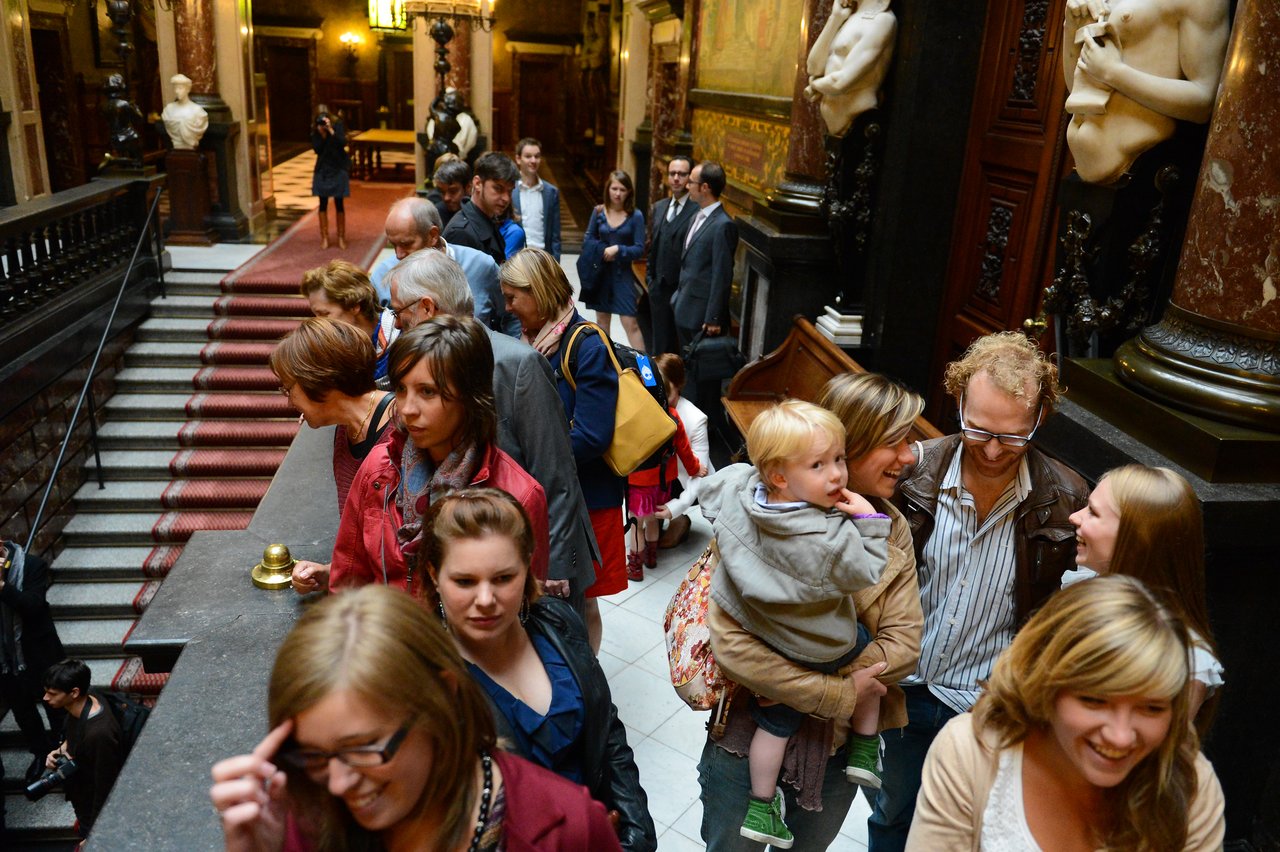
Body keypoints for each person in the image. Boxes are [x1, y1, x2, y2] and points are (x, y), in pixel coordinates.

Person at [870, 331, 1088, 851]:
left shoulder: (1067, 498)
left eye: (1013, 437)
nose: (994, 450)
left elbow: (1060, 616)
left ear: (1038, 420)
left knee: (966, 832)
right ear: (960, 400)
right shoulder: (911, 471)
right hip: (907, 685)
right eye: (979, 429)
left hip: (987, 703)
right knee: (892, 813)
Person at [209, 585, 623, 852]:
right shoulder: (303, 822)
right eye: (313, 755)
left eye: (364, 748)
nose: (337, 783)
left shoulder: (569, 828)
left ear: (443, 697)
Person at [908, 575, 1226, 850]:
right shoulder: (971, 753)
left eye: (1152, 708)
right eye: (1094, 701)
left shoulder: (1190, 783)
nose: (1120, 735)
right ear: (1046, 688)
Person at [699, 400, 894, 847]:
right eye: (820, 464)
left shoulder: (743, 495)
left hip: (764, 637)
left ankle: (762, 805)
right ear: (780, 476)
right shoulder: (826, 538)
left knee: (776, 722)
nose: (837, 475)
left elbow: (714, 487)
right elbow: (864, 570)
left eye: (840, 459)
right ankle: (865, 744)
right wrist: (868, 521)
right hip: (819, 650)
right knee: (860, 648)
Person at [420, 489, 657, 851]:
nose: (486, 600)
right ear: (434, 575)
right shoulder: (428, 686)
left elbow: (606, 729)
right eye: (465, 581)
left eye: (503, 578)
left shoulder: (556, 623)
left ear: (528, 567)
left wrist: (635, 835)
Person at [388, 249, 598, 609]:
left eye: (398, 312)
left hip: (523, 557)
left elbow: (556, 472)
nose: (394, 323)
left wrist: (555, 566)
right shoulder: (414, 369)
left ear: (426, 308)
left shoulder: (516, 365)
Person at [328, 316, 550, 592]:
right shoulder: (378, 470)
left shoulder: (519, 496)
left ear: (470, 397)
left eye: (427, 392)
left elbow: (522, 603)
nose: (407, 408)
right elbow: (347, 581)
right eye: (401, 389)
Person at [499, 248, 624, 652]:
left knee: (584, 598)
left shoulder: (586, 345)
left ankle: (587, 681)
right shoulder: (533, 339)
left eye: (513, 297)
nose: (508, 307)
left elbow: (592, 434)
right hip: (552, 490)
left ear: (538, 292)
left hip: (588, 496)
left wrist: (536, 455)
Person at [1066, 464, 1223, 724]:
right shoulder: (1083, 587)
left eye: (1093, 512)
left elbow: (1154, 757)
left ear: (1137, 539)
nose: (1075, 516)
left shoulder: (1182, 663)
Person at [268, 319, 397, 595]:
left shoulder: (402, 429)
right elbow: (367, 546)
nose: (289, 401)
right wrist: (331, 572)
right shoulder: (345, 429)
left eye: (288, 389)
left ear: (318, 380)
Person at [1062, 0, 1230, 184]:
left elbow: (1204, 102)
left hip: (1146, 172)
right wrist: (1070, 26)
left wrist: (1114, 73)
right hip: (1084, 175)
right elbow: (1076, 91)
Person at [372, 196, 518, 336]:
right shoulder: (382, 276)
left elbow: (513, 314)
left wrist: (510, 355)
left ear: (433, 235)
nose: (398, 254)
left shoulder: (480, 265)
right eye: (393, 245)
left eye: (406, 244)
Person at [1, 538, 65, 784]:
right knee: (22, 709)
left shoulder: (32, 565)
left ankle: (63, 749)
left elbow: (34, 605)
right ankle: (40, 751)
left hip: (39, 651)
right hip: (6, 657)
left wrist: (3, 587)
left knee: (54, 704)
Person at [624, 385, 704, 579]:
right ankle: (651, 557)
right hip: (663, 482)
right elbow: (684, 450)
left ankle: (635, 567)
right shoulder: (673, 416)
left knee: (636, 525)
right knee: (653, 520)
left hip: (639, 482)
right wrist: (695, 469)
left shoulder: (634, 416)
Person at [42, 659, 123, 840]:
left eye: (52, 693)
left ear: (74, 692)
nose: (46, 698)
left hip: (92, 804)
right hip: (82, 794)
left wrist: (93, 833)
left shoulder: (99, 733)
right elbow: (72, 732)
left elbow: (105, 787)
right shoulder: (87, 697)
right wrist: (60, 750)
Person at [803, 0, 897, 138]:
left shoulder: (882, 21)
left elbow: (841, 82)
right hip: (834, 126)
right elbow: (813, 67)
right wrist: (835, 18)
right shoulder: (851, 18)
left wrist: (814, 85)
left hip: (858, 121)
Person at [673, 162, 738, 350]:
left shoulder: (723, 225)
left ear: (705, 187)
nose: (687, 186)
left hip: (703, 319)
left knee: (701, 375)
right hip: (684, 307)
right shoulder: (696, 217)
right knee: (687, 371)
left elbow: (722, 275)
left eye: (691, 182)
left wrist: (714, 318)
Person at [299, 261, 399, 381]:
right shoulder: (327, 345)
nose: (318, 322)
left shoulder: (400, 335)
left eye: (324, 314)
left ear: (354, 306)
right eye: (315, 315)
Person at [582, 170, 647, 352]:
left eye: (622, 190)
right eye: (614, 188)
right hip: (601, 274)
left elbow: (639, 248)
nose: (618, 194)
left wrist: (619, 249)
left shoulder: (635, 216)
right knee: (602, 322)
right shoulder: (599, 212)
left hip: (622, 275)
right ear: (608, 190)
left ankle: (647, 372)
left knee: (630, 323)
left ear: (629, 192)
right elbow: (588, 240)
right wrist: (602, 249)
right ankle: (606, 366)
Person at [653, 353, 713, 548]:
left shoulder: (695, 420)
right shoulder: (648, 406)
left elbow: (698, 475)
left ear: (677, 384)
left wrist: (675, 508)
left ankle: (678, 520)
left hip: (682, 478)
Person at [645, 157, 697, 356]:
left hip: (681, 291)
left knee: (680, 348)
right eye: (672, 173)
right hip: (658, 288)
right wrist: (650, 279)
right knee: (659, 346)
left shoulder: (695, 212)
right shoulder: (660, 207)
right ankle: (658, 386)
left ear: (690, 178)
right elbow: (654, 245)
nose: (676, 178)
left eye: (682, 174)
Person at [442, 151, 519, 265]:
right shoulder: (460, 233)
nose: (506, 198)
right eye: (498, 188)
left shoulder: (488, 219)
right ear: (477, 183)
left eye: (510, 191)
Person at [512, 137, 562, 260]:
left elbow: (555, 235)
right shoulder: (510, 190)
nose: (533, 160)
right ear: (518, 159)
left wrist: (555, 263)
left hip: (543, 256)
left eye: (537, 156)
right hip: (517, 258)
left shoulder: (551, 192)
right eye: (528, 156)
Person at [310, 110, 351, 249]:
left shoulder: (337, 126)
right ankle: (325, 237)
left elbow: (343, 143)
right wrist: (321, 135)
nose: (323, 123)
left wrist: (331, 131)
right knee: (323, 203)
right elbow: (317, 150)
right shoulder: (316, 131)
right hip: (323, 170)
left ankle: (341, 237)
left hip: (338, 168)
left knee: (339, 203)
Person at [161, 73, 208, 149]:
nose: (177, 91)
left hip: (191, 148)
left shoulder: (197, 110)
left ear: (188, 89)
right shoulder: (169, 110)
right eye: (175, 88)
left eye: (180, 88)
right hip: (176, 145)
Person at [430, 157, 470, 227]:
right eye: (442, 192)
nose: (446, 198)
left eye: (453, 191)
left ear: (468, 188)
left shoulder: (481, 211)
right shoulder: (436, 215)